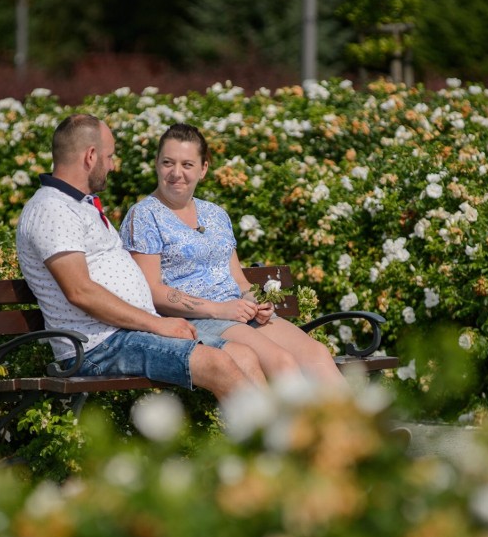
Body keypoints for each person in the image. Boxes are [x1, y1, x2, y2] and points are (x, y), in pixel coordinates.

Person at [16, 114, 266, 401]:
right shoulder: (52, 208)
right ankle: (264, 443)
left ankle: (272, 444)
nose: (112, 165)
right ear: (90, 156)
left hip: (129, 333)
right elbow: (80, 291)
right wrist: (158, 323)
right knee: (218, 364)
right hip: (98, 345)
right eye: (109, 156)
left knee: (243, 356)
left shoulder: (80, 205)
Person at [120, 123, 346, 386]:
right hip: (197, 321)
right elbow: (152, 291)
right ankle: (307, 429)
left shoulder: (216, 214)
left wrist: (257, 302)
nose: (176, 173)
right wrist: (220, 309)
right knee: (281, 362)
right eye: (168, 162)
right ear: (157, 164)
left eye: (187, 164)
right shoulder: (145, 215)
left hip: (238, 314)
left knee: (316, 354)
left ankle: (358, 428)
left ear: (203, 169)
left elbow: (238, 281)